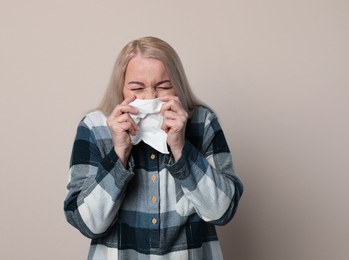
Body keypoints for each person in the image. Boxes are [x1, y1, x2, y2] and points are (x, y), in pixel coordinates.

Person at [64, 36, 243, 259]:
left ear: (177, 85)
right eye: (137, 88)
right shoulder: (94, 127)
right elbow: (87, 224)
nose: (150, 98)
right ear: (120, 87)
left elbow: (222, 212)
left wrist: (180, 148)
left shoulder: (202, 122)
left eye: (163, 87)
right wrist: (119, 153)